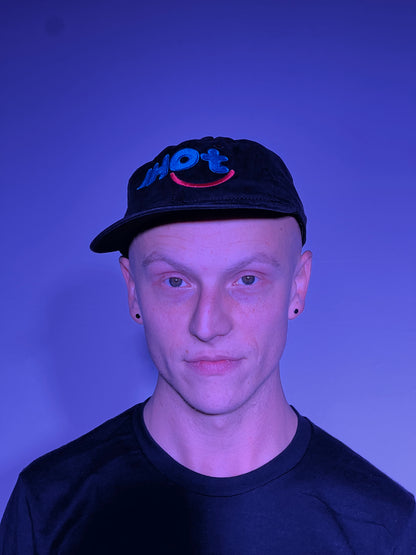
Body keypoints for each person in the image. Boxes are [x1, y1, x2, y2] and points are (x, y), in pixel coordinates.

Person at [1, 137, 415, 554]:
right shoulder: (48, 505)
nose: (208, 324)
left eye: (247, 280)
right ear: (132, 290)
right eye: (175, 282)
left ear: (298, 286)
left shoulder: (385, 529)